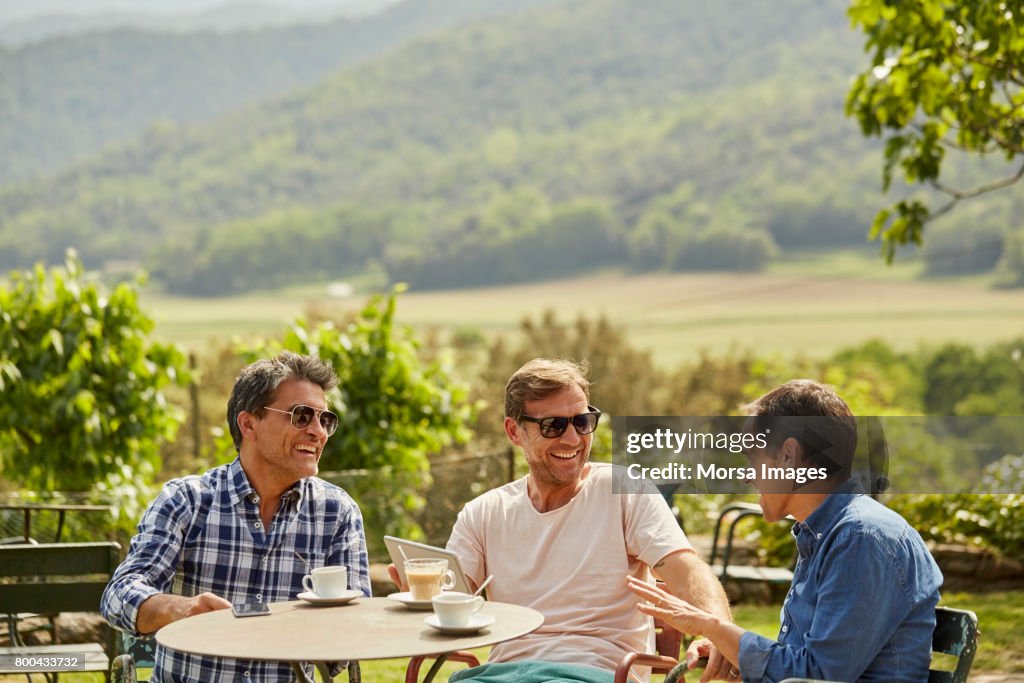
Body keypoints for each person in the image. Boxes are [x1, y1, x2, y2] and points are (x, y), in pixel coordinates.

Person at [392, 358, 732, 683]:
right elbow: (454, 603)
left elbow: (688, 573)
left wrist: (719, 631)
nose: (572, 439)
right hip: (503, 675)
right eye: (553, 426)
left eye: (582, 422)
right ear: (514, 431)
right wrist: (426, 601)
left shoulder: (625, 492)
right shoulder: (483, 512)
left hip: (595, 673)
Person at [628, 379, 943, 683]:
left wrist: (713, 627)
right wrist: (731, 648)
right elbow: (808, 663)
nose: (748, 476)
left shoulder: (860, 539)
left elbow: (817, 678)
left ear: (788, 456)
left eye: (752, 457)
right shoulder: (828, 533)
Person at [101, 351, 370, 682]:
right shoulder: (187, 500)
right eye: (301, 416)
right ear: (249, 423)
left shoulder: (337, 513)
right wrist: (181, 609)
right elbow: (118, 594)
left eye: (325, 420)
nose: (319, 432)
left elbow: (357, 630)